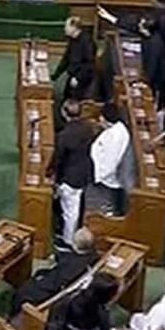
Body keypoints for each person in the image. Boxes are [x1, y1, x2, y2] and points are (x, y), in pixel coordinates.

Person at [9, 228, 98, 318]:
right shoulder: (92, 256)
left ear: (75, 245)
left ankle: (12, 317)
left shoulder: (68, 266)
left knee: (22, 292)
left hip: (52, 291)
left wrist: (40, 278)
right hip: (62, 284)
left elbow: (53, 284)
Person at [48, 99, 96, 245]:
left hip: (71, 178)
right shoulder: (88, 129)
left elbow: (58, 160)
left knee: (70, 211)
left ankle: (69, 242)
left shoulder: (65, 135)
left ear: (64, 113)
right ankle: (72, 235)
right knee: (77, 209)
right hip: (86, 174)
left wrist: (52, 175)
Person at [89, 103, 130, 215]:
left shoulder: (115, 136)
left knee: (101, 212)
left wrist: (98, 177)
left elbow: (111, 162)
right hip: (104, 178)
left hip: (105, 181)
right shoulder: (116, 130)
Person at [50, 17, 95, 101]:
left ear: (74, 27)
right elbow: (66, 58)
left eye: (66, 26)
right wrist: (55, 75)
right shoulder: (72, 40)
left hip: (82, 78)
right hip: (73, 73)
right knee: (65, 96)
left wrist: (78, 77)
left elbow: (89, 64)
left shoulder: (87, 42)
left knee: (73, 101)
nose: (64, 29)